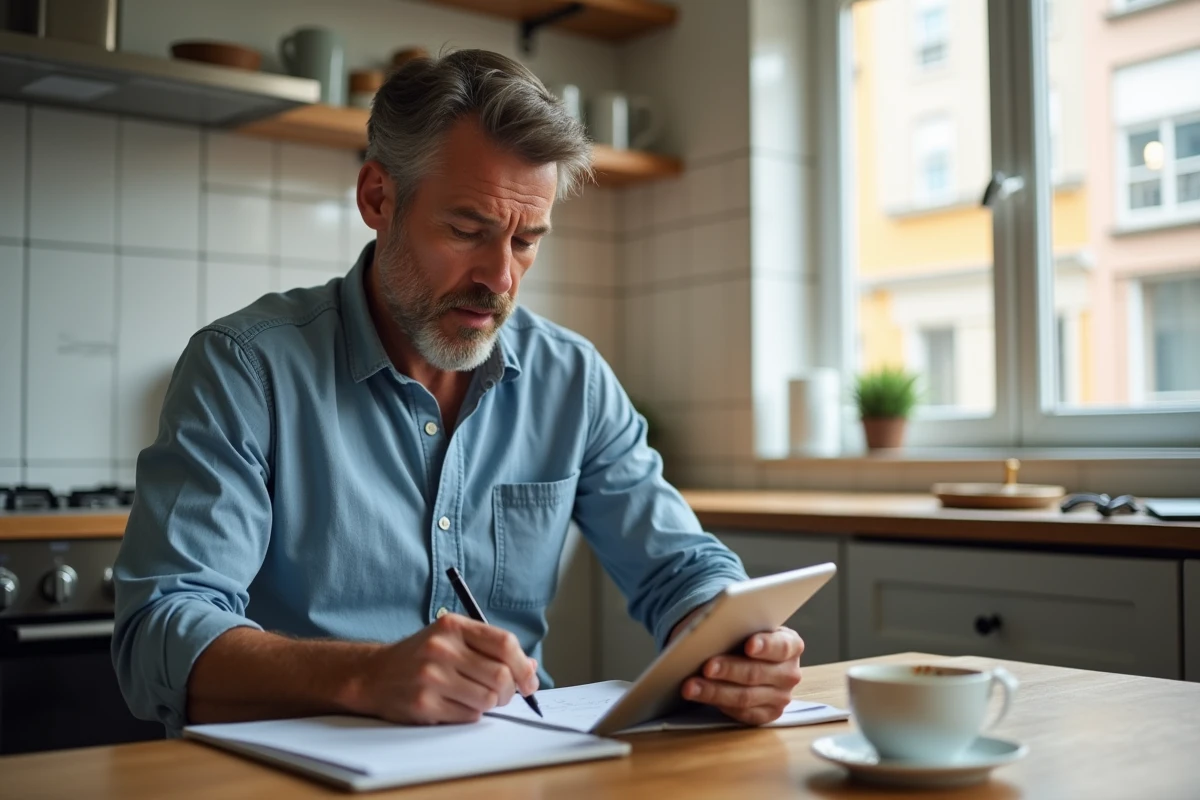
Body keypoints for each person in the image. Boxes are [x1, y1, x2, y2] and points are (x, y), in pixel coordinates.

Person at [112, 49, 805, 736]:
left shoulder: (572, 378)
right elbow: (158, 636)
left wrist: (737, 643)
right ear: (378, 199)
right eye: (467, 231)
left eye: (527, 241)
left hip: (514, 768)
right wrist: (363, 675)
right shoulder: (245, 368)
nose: (500, 277)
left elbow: (679, 566)